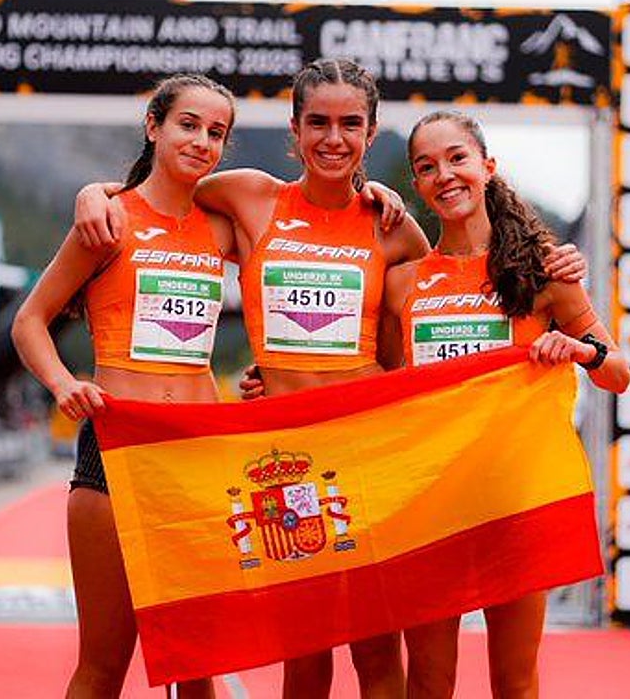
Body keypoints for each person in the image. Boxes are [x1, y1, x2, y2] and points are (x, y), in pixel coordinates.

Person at [73, 60, 585, 698]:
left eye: (350, 124)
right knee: (305, 653)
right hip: (288, 464)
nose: (333, 138)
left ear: (370, 133)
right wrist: (96, 193)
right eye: (318, 122)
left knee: (378, 654)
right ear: (295, 130)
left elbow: (417, 341)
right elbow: (165, 188)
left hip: (369, 459)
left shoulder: (393, 226)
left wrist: (552, 275)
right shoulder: (248, 196)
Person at [380, 110, 630, 699]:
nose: (445, 175)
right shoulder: (401, 284)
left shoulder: (544, 273)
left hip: (515, 503)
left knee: (515, 682)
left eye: (457, 158)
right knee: (429, 681)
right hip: (431, 503)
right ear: (417, 184)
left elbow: (618, 374)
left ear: (487, 166)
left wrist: (581, 351)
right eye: (427, 167)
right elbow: (380, 383)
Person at [13, 74, 238, 699]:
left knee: (197, 667)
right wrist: (63, 383)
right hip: (116, 452)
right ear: (154, 126)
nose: (201, 141)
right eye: (188, 125)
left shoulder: (223, 228)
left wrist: (372, 191)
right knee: (102, 666)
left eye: (216, 132)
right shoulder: (109, 219)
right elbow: (29, 320)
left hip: (196, 456)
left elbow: (306, 233)